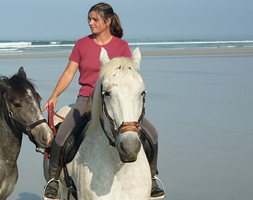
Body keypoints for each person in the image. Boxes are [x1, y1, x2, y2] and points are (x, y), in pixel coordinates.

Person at [42, 2, 165, 199]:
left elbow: (127, 77)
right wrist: (55, 95)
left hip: (116, 99)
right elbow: (69, 73)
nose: (90, 23)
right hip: (87, 98)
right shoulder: (82, 44)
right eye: (89, 19)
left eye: (95, 19)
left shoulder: (121, 46)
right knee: (62, 136)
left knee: (152, 134)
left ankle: (151, 178)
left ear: (108, 21)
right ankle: (53, 181)